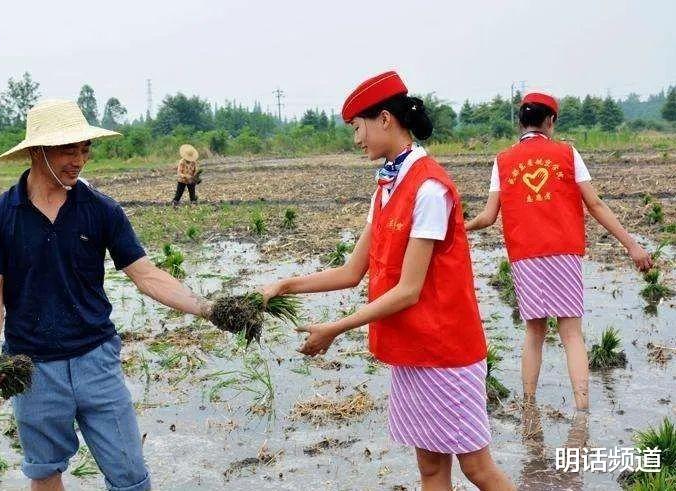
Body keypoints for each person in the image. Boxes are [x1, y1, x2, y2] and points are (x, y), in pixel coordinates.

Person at [262, 71, 515, 490]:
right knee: (431, 470)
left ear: (384, 119)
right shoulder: (386, 185)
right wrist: (283, 286)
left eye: (357, 127)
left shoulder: (429, 187)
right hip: (412, 353)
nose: (356, 138)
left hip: (446, 353)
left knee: (477, 469)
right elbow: (351, 272)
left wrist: (335, 329)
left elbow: (409, 290)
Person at [0, 99, 210, 491]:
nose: (79, 160)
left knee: (130, 475)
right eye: (68, 149)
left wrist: (208, 309)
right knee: (44, 470)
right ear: (35, 151)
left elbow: (145, 274)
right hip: (32, 368)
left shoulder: (101, 210)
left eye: (84, 149)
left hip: (96, 360)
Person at [466, 92, 652, 410]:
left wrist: (458, 227)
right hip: (563, 253)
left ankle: (528, 404)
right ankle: (581, 408)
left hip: (525, 256)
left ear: (521, 122)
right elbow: (594, 203)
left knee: (534, 332)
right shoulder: (567, 153)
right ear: (550, 120)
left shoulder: (503, 160)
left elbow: (487, 216)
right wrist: (632, 245)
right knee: (571, 334)